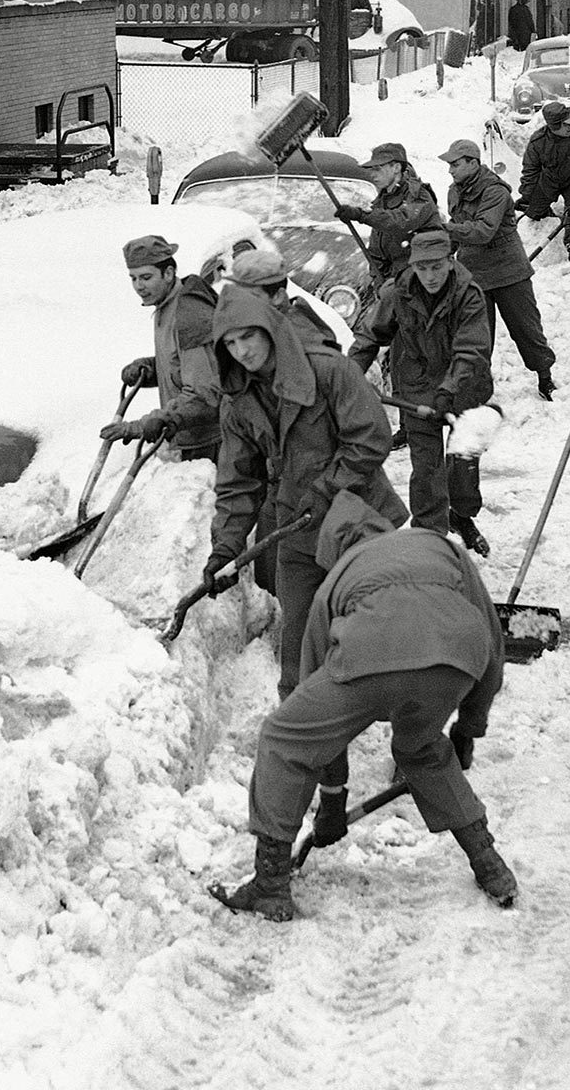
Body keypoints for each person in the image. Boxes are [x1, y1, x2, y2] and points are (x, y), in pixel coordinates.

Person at [211, 497, 515, 921]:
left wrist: (333, 801)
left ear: (332, 549)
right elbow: (492, 642)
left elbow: (316, 719)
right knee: (423, 749)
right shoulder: (438, 545)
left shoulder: (335, 580)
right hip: (457, 656)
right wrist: (468, 728)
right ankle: (489, 865)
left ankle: (270, 885)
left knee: (285, 739)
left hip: (370, 655)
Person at [207, 285, 410, 838]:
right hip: (298, 544)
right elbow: (238, 480)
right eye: (230, 344)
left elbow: (373, 438)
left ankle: (420, 749)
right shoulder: (239, 400)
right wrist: (226, 544)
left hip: (361, 530)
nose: (243, 352)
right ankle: (330, 793)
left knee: (389, 654)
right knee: (300, 674)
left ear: (270, 329)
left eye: (248, 336)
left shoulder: (329, 372)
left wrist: (326, 490)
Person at [348, 227, 495, 552]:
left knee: (462, 469)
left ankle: (462, 515)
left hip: (465, 387)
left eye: (437, 267)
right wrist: (347, 374)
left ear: (450, 260)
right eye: (422, 267)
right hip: (416, 388)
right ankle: (430, 542)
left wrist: (448, 389)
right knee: (427, 472)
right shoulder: (397, 293)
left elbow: (471, 349)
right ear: (413, 265)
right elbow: (371, 336)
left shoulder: (468, 294)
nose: (429, 276)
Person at [439, 138, 556, 398]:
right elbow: (457, 232)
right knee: (477, 335)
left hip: (508, 272)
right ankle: (479, 388)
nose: (450, 170)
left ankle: (544, 376)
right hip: (474, 274)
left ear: (473, 162)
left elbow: (483, 231)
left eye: (455, 164)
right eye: (449, 165)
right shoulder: (454, 191)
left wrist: (445, 228)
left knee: (526, 329)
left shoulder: (495, 191)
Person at [101, 234, 221, 461]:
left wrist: (142, 425)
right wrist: (150, 369)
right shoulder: (166, 305)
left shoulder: (190, 313)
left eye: (146, 277)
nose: (139, 286)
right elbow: (183, 365)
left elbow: (204, 393)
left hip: (211, 442)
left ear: (168, 273)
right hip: (186, 435)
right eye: (133, 278)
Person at [332, 141, 441, 284]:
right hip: (395, 286)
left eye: (378, 169)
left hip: (423, 282)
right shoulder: (383, 200)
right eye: (371, 169)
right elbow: (377, 250)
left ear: (396, 168)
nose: (373, 174)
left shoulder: (418, 195)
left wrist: (361, 215)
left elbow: (401, 221)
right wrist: (379, 282)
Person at [517, 104, 570, 263]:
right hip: (551, 179)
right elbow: (530, 170)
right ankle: (549, 216)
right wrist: (527, 195)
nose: (569, 128)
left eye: (569, 123)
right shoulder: (538, 141)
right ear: (552, 127)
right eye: (564, 125)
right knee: (534, 212)